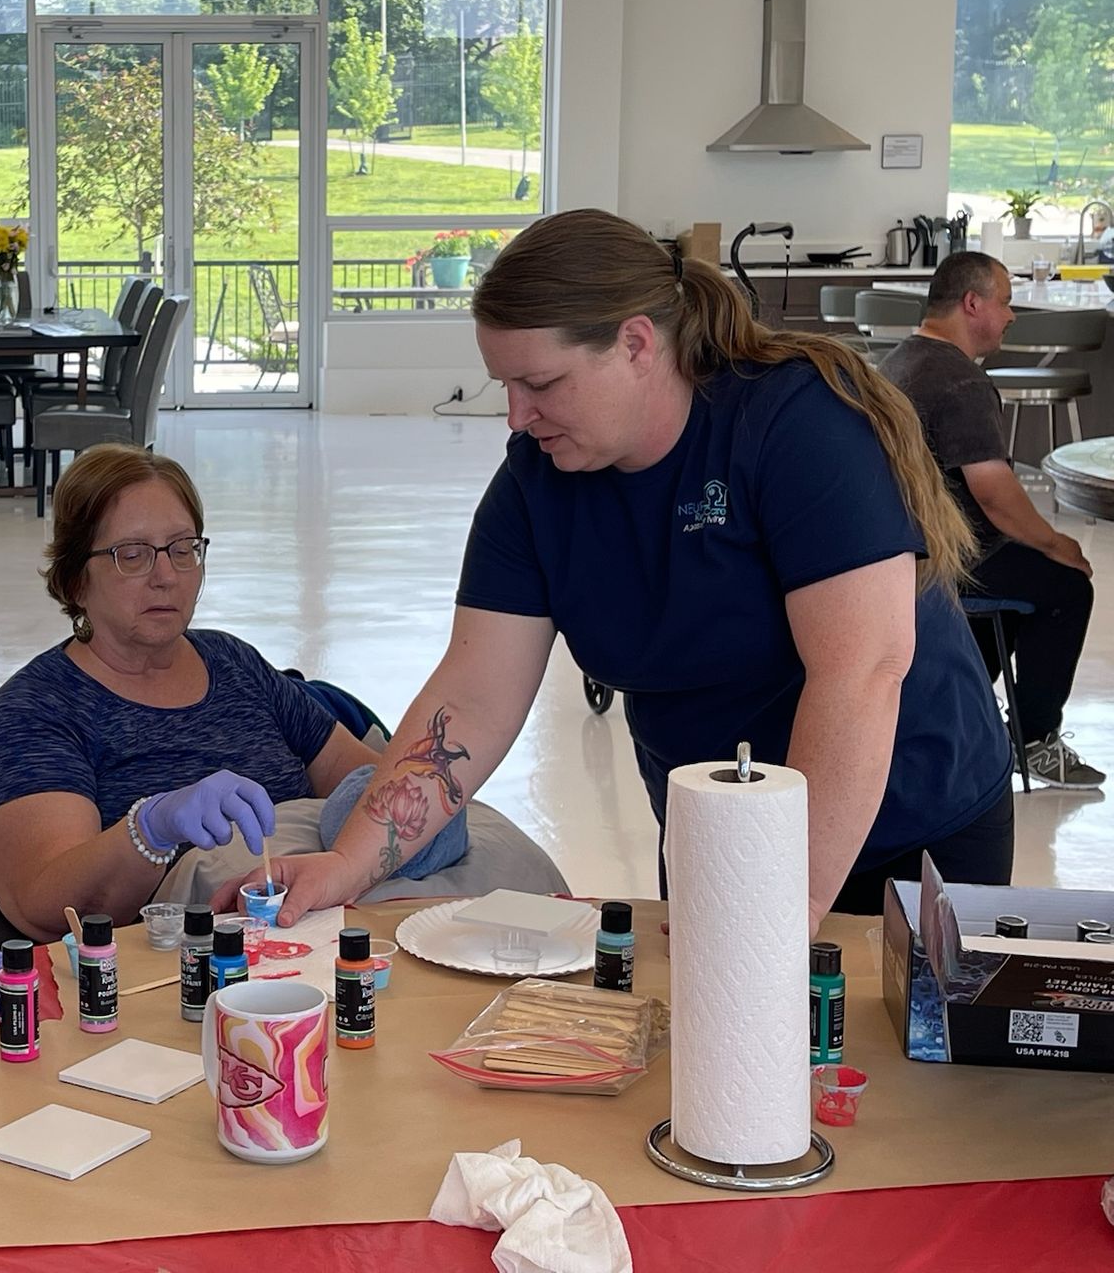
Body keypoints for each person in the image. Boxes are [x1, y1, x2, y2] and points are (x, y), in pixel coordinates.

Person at [226, 208, 1013, 932]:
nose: (516, 415)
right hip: (718, 832)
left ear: (637, 344)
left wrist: (787, 897)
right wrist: (348, 863)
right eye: (507, 386)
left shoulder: (795, 425)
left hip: (911, 822)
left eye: (540, 383)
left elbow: (862, 669)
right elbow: (470, 700)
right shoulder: (536, 488)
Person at [0, 446, 420, 943]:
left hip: (323, 934)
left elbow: (371, 787)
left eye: (183, 549)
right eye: (132, 555)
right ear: (75, 577)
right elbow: (43, 906)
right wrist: (150, 830)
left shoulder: (234, 664)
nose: (166, 577)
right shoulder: (35, 712)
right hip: (174, 975)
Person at [880, 251, 1102, 789]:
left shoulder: (900, 361)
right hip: (949, 559)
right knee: (1068, 587)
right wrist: (1055, 543)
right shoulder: (961, 382)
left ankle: (965, 717)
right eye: (1004, 302)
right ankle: (1033, 739)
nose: (1011, 315)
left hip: (903, 546)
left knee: (1022, 579)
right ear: (972, 303)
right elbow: (996, 495)